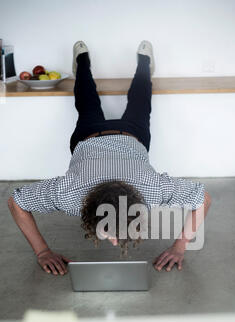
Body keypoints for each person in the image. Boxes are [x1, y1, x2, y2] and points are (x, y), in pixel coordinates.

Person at [8, 40, 211, 276]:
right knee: (111, 104)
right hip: (109, 136)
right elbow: (202, 198)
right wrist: (43, 252)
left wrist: (179, 247)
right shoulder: (72, 194)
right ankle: (136, 62)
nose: (115, 242)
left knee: (110, 104)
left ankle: (91, 60)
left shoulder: (73, 193)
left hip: (112, 135)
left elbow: (17, 202)